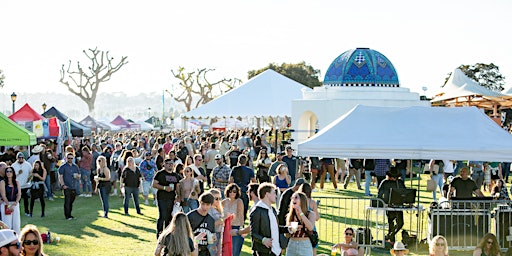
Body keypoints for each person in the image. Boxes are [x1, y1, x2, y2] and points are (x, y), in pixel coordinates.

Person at [250, 182, 284, 256]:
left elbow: (275, 228)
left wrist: (289, 229)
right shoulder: (257, 211)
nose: (276, 196)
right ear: (267, 194)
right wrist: (263, 240)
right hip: (264, 252)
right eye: (274, 193)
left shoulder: (273, 210)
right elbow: (253, 233)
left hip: (276, 251)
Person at [153, 159, 182, 238]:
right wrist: (165, 188)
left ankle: (167, 234)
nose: (170, 165)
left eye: (172, 164)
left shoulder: (175, 175)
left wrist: (178, 196)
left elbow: (177, 187)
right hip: (162, 197)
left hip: (171, 198)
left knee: (169, 217)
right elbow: (154, 184)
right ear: (164, 165)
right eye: (168, 163)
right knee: (162, 216)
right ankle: (159, 233)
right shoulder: (160, 173)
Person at [377, 167, 405, 242]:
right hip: (388, 205)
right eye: (393, 177)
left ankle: (389, 236)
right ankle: (392, 242)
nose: (394, 178)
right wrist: (384, 204)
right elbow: (379, 195)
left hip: (398, 205)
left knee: (400, 223)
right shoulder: (384, 183)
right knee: (391, 224)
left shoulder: (400, 182)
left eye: (396, 177)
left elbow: (404, 192)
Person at [285, 192, 316, 256]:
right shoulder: (290, 215)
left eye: (296, 197)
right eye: (292, 198)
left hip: (305, 244)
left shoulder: (311, 214)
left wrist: (301, 213)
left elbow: (310, 227)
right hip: (292, 244)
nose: (293, 199)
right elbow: (286, 234)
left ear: (302, 200)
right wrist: (290, 229)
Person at [229, 154, 256, 220]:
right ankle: (243, 219)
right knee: (245, 206)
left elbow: (230, 180)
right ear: (246, 161)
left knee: (235, 206)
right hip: (245, 189)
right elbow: (254, 181)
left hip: (236, 189)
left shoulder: (234, 169)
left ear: (238, 161)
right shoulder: (250, 170)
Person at [222, 184, 245, 256]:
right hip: (225, 228)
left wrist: (242, 229)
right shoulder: (224, 201)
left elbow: (241, 216)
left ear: (237, 192)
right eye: (230, 191)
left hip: (235, 228)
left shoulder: (239, 201)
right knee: (225, 251)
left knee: (234, 251)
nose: (232, 193)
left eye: (234, 191)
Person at [58, 152, 80, 220]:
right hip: (66, 186)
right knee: (67, 201)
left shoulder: (75, 166)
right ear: (66, 158)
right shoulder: (63, 167)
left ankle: (70, 214)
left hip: (73, 186)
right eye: (69, 158)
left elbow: (79, 175)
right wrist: (63, 185)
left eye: (71, 158)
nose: (70, 159)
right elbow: (60, 176)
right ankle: (67, 215)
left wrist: (77, 176)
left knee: (71, 201)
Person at [0, 167, 21, 234]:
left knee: (16, 224)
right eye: (7, 171)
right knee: (7, 224)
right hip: (6, 204)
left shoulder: (16, 182)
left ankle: (17, 239)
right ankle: (8, 240)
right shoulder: (3, 182)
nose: (9, 173)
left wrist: (16, 202)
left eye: (10, 171)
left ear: (13, 173)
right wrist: (8, 205)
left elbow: (19, 194)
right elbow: (3, 195)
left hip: (15, 204)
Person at [11, 152, 32, 217]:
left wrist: (29, 178)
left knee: (26, 200)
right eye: (19, 158)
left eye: (22, 158)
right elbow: (11, 175)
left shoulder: (28, 164)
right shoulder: (13, 165)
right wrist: (18, 173)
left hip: (25, 185)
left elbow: (31, 173)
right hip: (17, 185)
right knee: (17, 200)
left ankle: (27, 211)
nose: (21, 159)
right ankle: (16, 212)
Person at [208, 188, 224, 256]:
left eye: (220, 198)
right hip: (211, 235)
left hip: (219, 233)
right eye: (216, 198)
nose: (218, 201)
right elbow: (212, 224)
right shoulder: (209, 210)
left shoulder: (219, 209)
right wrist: (223, 219)